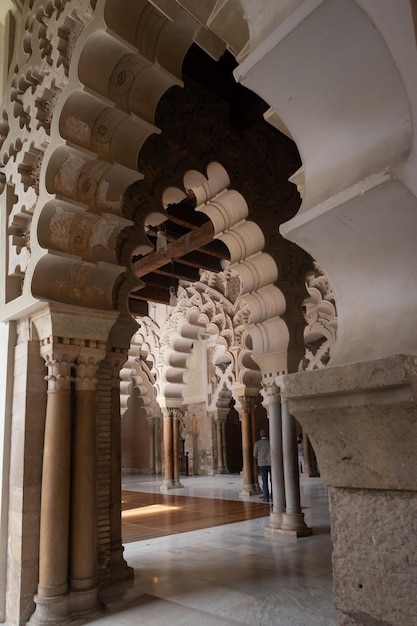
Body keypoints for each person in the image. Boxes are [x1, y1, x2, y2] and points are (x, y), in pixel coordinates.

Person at [253, 429, 272, 502]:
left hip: (262, 464)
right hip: (271, 463)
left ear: (260, 435)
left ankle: (266, 497)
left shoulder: (257, 443)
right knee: (272, 480)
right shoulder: (270, 442)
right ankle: (273, 496)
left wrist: (260, 457)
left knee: (264, 480)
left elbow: (255, 454)